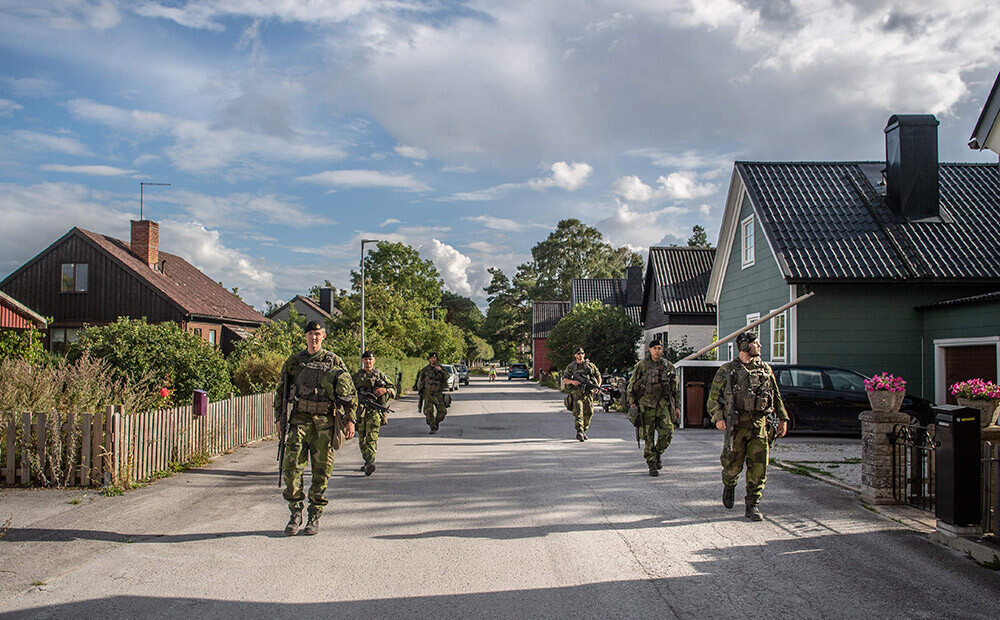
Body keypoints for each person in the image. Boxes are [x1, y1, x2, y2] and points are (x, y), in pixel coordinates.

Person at [274, 320, 356, 536]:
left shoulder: (334, 361)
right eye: (311, 333)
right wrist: (278, 419)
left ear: (324, 336)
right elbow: (281, 391)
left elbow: (349, 393)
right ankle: (294, 513)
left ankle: (314, 516)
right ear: (306, 336)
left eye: (318, 334)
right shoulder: (295, 361)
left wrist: (350, 419)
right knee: (292, 469)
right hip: (299, 420)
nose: (314, 337)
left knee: (321, 472)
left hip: (324, 423)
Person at [707, 331, 788, 522]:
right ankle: (729, 484)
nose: (759, 347)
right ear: (744, 346)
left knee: (759, 467)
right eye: (756, 343)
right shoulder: (728, 370)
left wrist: (783, 418)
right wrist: (718, 417)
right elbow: (713, 398)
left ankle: (752, 505)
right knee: (732, 466)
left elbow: (775, 395)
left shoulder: (765, 370)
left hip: (760, 424)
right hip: (736, 425)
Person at [627, 339, 680, 477]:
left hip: (663, 406)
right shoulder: (642, 366)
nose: (657, 350)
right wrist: (633, 404)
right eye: (655, 348)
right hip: (646, 406)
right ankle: (651, 464)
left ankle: (657, 453)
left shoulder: (668, 366)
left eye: (659, 348)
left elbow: (676, 390)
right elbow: (631, 386)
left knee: (668, 432)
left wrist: (677, 407)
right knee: (648, 437)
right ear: (650, 350)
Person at [352, 351, 396, 476]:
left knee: (371, 437)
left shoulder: (379, 375)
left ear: (374, 361)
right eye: (365, 359)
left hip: (374, 411)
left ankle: (370, 461)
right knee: (362, 439)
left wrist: (385, 390)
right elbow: (348, 391)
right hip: (360, 411)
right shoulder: (356, 377)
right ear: (362, 361)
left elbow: (393, 389)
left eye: (370, 359)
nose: (368, 362)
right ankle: (367, 460)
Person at [562, 347, 602, 442]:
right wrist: (572, 382)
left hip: (588, 393)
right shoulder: (571, 366)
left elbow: (598, 376)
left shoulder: (590, 366)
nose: (580, 355)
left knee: (589, 412)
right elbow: (565, 379)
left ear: (584, 355)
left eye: (582, 354)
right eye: (578, 354)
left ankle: (584, 430)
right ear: (575, 355)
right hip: (577, 393)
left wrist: (597, 386)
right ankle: (579, 432)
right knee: (578, 413)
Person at [414, 352, 449, 434]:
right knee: (428, 412)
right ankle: (432, 427)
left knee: (442, 412)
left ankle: (436, 422)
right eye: (432, 358)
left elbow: (447, 376)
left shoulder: (441, 368)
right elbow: (420, 381)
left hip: (438, 394)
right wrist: (420, 391)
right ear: (429, 359)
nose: (433, 359)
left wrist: (441, 371)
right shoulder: (425, 370)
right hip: (428, 394)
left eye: (435, 358)